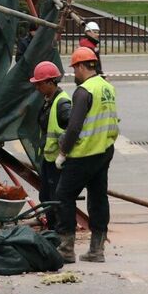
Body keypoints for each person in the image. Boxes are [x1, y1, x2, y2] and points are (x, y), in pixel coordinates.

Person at [53, 46, 118, 263]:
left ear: (82, 66)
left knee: (64, 195)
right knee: (98, 198)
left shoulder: (84, 91)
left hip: (83, 154)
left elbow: (73, 127)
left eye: (75, 69)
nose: (74, 74)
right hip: (104, 151)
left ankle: (66, 248)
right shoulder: (107, 87)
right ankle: (97, 249)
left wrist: (63, 152)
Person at [29, 60, 75, 208]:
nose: (37, 87)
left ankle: (58, 228)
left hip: (58, 162)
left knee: (56, 199)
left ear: (50, 82)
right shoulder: (48, 100)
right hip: (49, 159)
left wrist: (63, 154)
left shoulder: (62, 104)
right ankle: (51, 227)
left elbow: (73, 130)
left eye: (39, 83)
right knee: (46, 197)